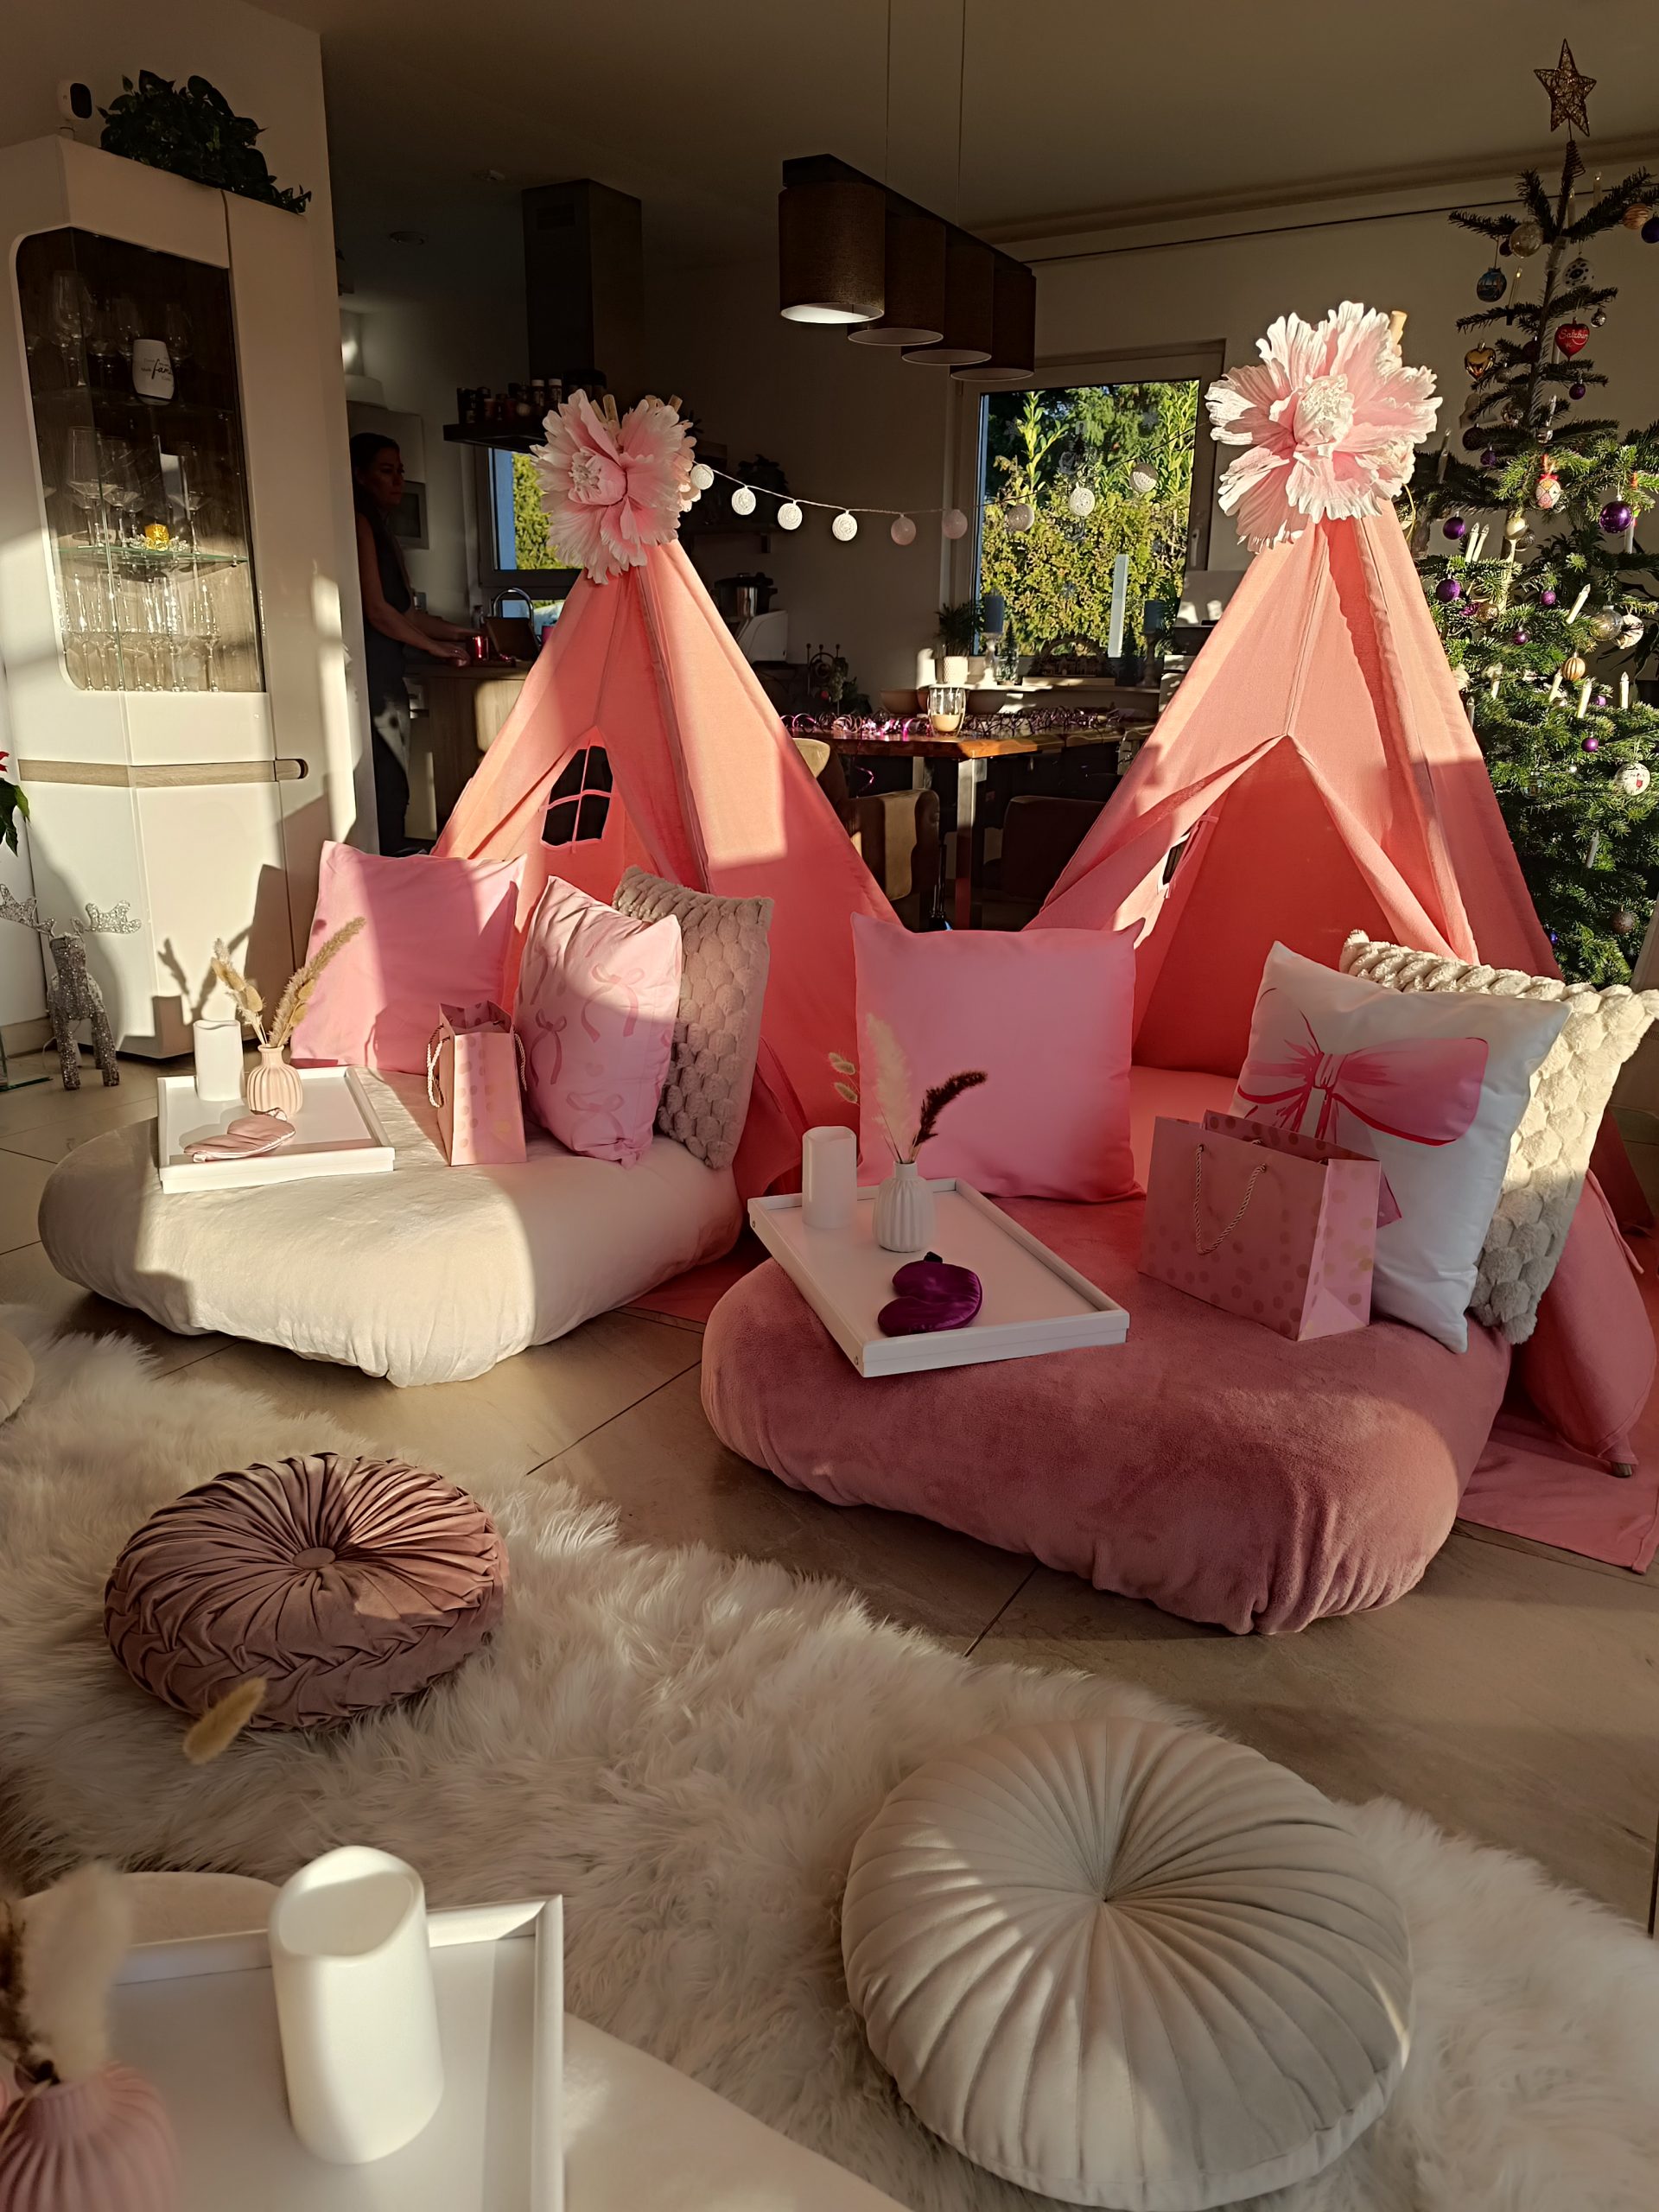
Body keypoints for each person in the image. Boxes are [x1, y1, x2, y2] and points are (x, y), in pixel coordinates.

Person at [350, 432, 472, 852]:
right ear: (360, 476)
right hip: (371, 672)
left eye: (400, 471)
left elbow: (407, 614)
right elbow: (377, 610)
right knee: (386, 778)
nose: (398, 481)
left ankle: (393, 861)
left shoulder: (383, 530)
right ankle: (387, 865)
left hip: (388, 670)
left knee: (395, 777)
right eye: (387, 471)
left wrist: (464, 634)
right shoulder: (359, 524)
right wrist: (434, 648)